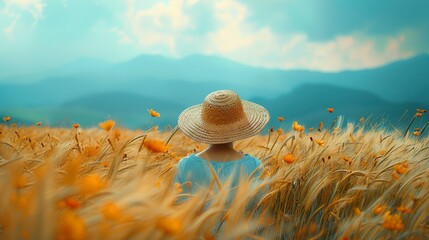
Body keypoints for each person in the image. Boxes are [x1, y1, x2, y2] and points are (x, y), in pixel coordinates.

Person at [174, 90, 270, 201]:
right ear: (240, 126)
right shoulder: (254, 166)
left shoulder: (185, 166)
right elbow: (261, 211)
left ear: (203, 126)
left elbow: (175, 206)